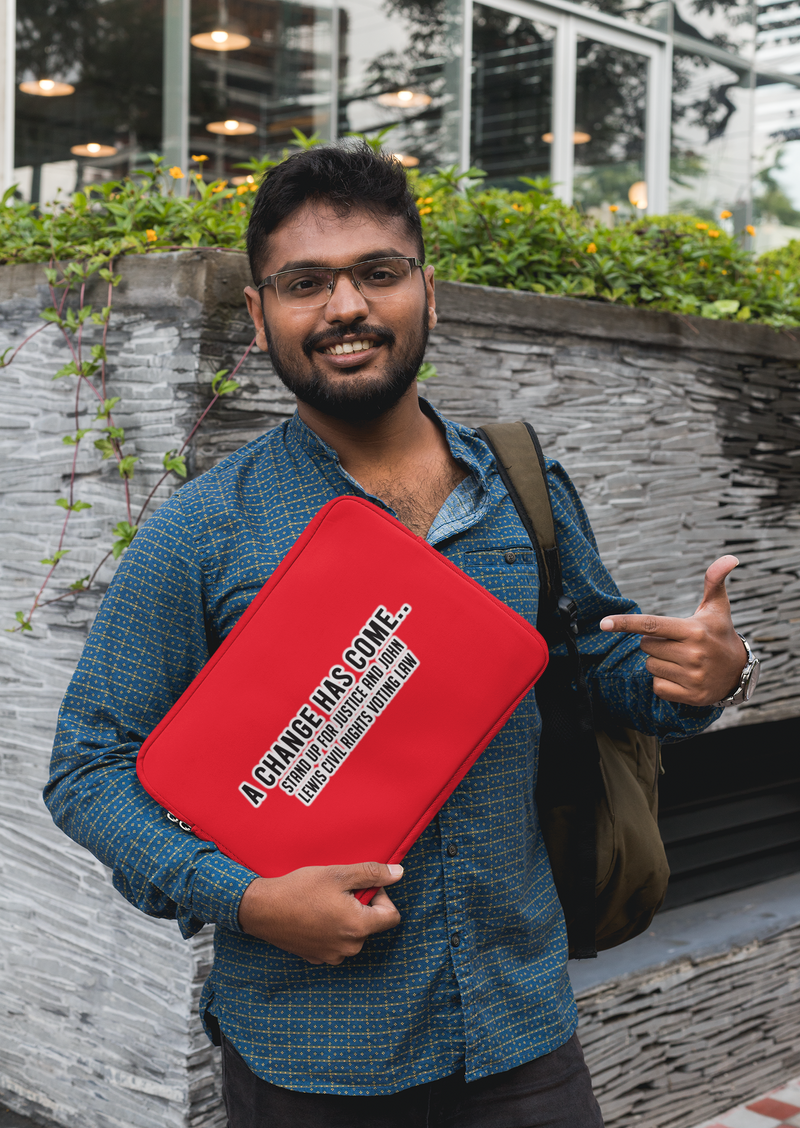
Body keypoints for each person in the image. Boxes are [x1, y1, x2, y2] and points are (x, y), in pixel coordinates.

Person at [45, 143, 753, 1128]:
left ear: (427, 291)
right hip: (313, 1056)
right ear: (258, 316)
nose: (345, 306)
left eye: (377, 272)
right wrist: (246, 901)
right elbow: (86, 770)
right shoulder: (204, 530)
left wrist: (705, 674)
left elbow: (597, 668)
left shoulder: (521, 488)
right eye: (305, 283)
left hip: (522, 1032)